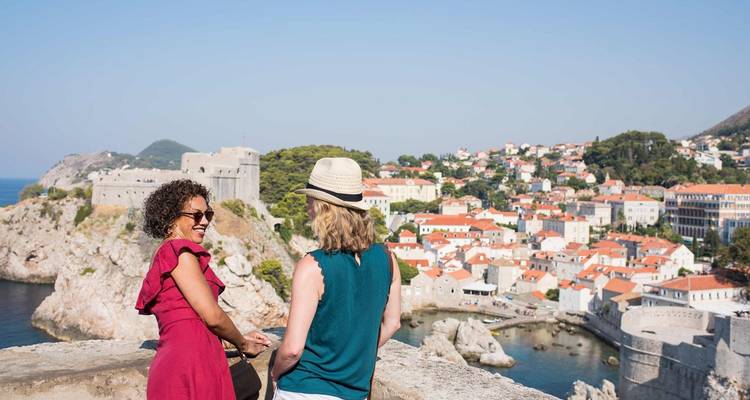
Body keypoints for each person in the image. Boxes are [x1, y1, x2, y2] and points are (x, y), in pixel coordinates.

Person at [271, 158, 402, 400]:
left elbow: (291, 350)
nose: (306, 206)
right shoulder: (388, 259)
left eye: (310, 199)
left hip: (303, 390)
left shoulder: (311, 266)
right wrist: (354, 356)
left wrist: (275, 373)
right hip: (355, 392)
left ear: (323, 208)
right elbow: (393, 323)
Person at [135, 179, 272, 400]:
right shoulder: (179, 252)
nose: (205, 221)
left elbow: (191, 321)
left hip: (191, 359)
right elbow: (212, 316)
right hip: (190, 365)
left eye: (208, 214)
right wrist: (243, 343)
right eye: (196, 215)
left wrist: (232, 338)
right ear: (171, 217)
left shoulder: (168, 252)